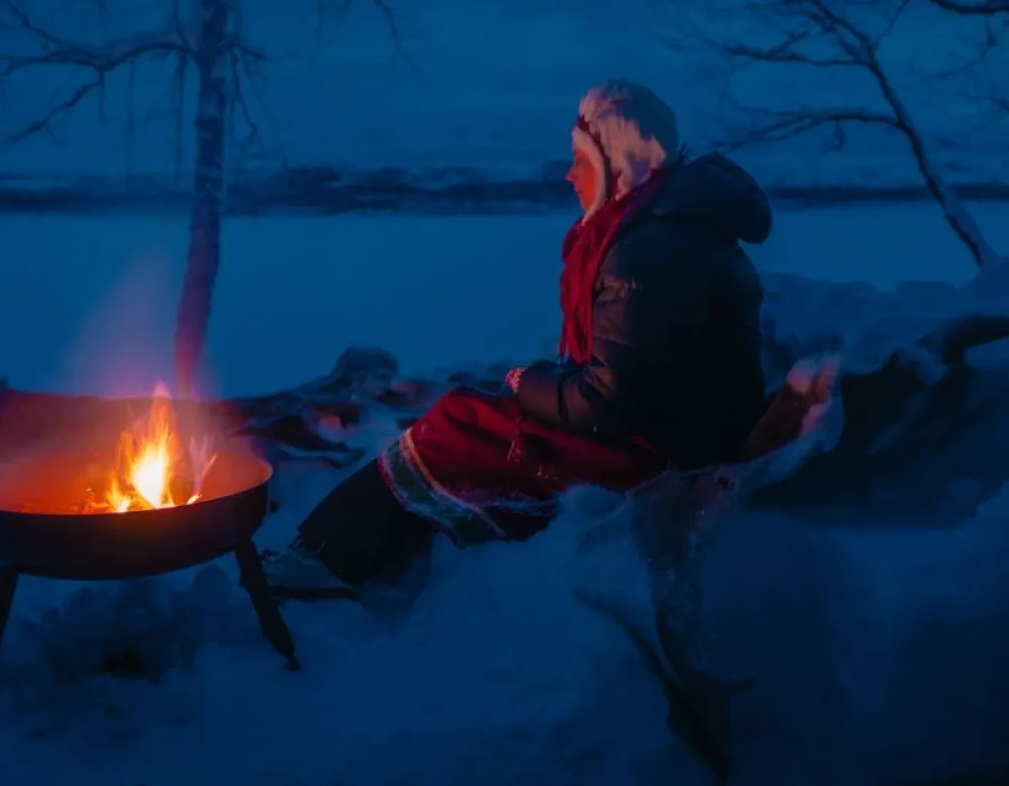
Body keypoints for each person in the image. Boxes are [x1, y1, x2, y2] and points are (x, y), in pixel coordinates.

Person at [263, 79, 775, 600]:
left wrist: (527, 382)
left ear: (618, 165)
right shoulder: (662, 230)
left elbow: (607, 405)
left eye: (581, 160)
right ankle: (343, 547)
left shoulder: (648, 252)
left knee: (455, 422)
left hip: (659, 455)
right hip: (672, 429)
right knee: (476, 409)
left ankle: (329, 561)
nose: (569, 174)